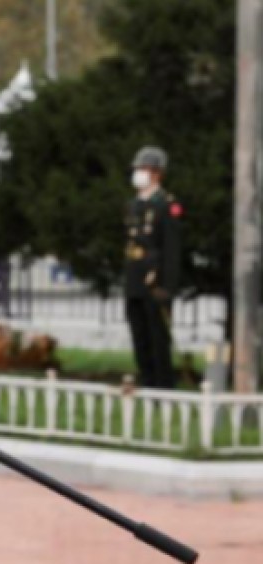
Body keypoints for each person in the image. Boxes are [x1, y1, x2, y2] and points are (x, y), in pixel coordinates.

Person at [124, 146, 181, 389]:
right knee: (140, 336)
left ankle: (163, 388)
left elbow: (171, 249)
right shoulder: (134, 204)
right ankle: (147, 384)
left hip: (155, 282)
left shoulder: (167, 205)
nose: (138, 173)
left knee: (158, 337)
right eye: (137, 168)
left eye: (143, 168)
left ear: (157, 173)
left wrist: (167, 287)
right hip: (135, 281)